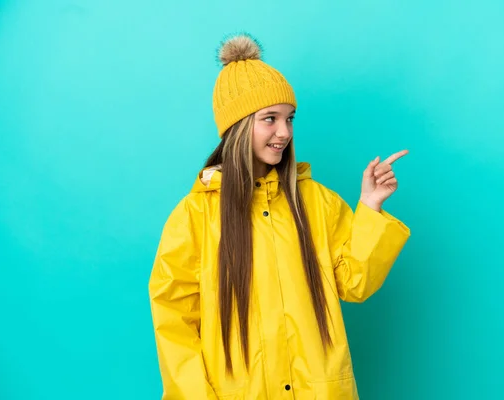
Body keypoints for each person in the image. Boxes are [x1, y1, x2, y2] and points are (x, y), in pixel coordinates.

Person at [148, 33, 411, 400]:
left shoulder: (316, 202)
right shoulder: (195, 217)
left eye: (289, 119)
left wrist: (369, 207)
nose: (284, 132)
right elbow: (174, 324)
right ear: (237, 127)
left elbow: (354, 283)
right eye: (269, 119)